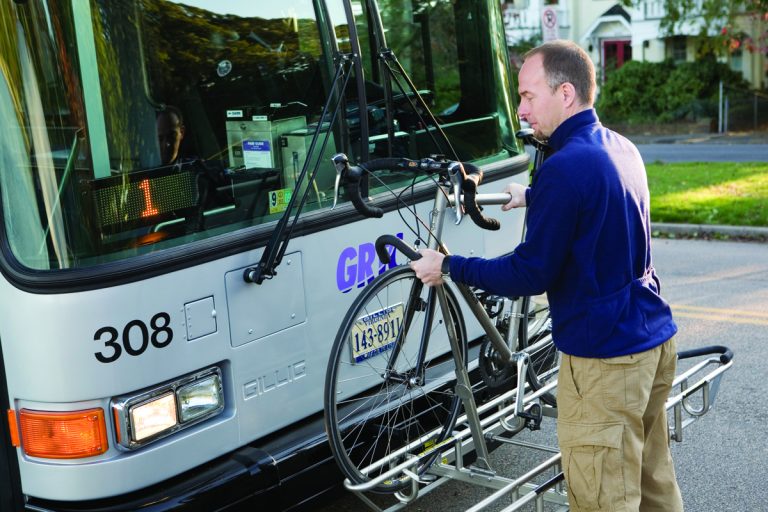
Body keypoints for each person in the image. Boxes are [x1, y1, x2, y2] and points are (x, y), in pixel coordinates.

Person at [410, 40, 683, 512]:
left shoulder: (563, 169)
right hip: (652, 345)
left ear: (566, 93)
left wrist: (449, 266)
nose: (521, 110)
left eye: (529, 96)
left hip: (606, 365)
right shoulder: (619, 149)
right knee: (654, 488)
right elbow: (598, 206)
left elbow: (529, 273)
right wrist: (535, 196)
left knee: (602, 499)